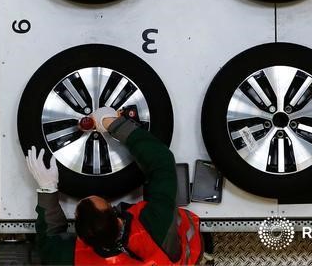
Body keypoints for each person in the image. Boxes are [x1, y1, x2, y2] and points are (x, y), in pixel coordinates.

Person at [25, 106, 204, 265]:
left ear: (80, 238)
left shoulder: (73, 257)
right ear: (117, 218)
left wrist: (47, 189)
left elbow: (49, 243)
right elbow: (162, 163)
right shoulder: (155, 229)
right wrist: (114, 124)